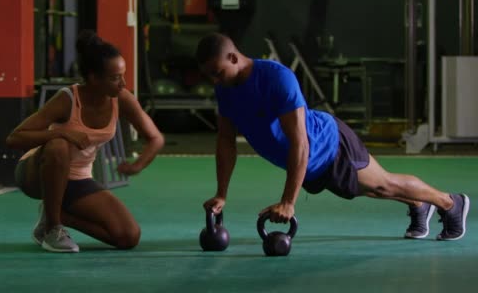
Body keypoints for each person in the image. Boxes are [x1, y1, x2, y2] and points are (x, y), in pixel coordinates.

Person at [195, 33, 470, 241]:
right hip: (312, 163)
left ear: (233, 57)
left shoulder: (276, 78)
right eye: (210, 77)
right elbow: (226, 142)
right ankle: (418, 204)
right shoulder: (226, 90)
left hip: (329, 145)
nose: (215, 82)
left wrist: (288, 202)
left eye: (217, 73)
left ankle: (450, 203)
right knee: (368, 189)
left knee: (382, 185)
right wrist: (221, 194)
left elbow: (300, 141)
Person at [6, 30, 164, 252]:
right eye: (115, 77)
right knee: (59, 146)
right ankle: (53, 229)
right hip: (37, 174)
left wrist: (137, 165)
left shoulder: (121, 98)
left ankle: (56, 214)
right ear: (93, 78)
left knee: (129, 236)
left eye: (123, 75)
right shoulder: (67, 99)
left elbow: (155, 138)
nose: (123, 83)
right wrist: (62, 133)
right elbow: (15, 138)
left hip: (78, 179)